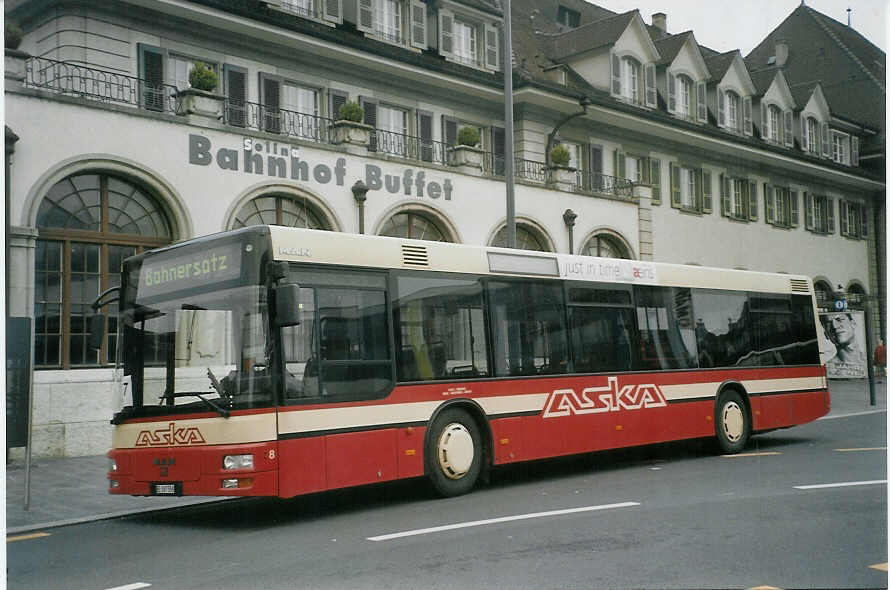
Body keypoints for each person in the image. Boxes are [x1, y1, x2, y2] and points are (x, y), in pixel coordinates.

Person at [824, 312, 866, 377]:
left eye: (839, 320)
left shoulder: (868, 361)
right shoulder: (828, 369)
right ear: (826, 334)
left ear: (853, 324)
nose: (835, 326)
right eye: (828, 324)